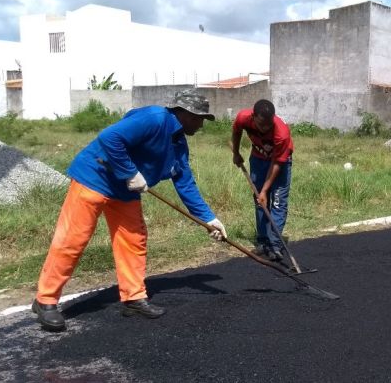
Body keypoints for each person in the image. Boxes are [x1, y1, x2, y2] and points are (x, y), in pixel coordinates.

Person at [32, 89, 227, 332]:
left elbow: (185, 183)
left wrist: (209, 219)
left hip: (125, 193)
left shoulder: (178, 145)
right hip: (94, 178)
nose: (201, 125)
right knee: (72, 240)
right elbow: (110, 138)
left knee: (134, 240)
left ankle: (133, 298)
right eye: (199, 118)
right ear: (185, 113)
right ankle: (45, 300)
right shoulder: (154, 119)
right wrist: (129, 172)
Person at [232, 100, 293, 262]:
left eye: (268, 124)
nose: (265, 128)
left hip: (280, 162)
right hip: (258, 158)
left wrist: (265, 189)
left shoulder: (282, 133)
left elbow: (277, 164)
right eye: (261, 124)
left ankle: (275, 245)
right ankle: (263, 241)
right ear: (253, 117)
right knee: (260, 201)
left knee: (278, 202)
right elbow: (236, 131)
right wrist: (236, 153)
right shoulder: (243, 118)